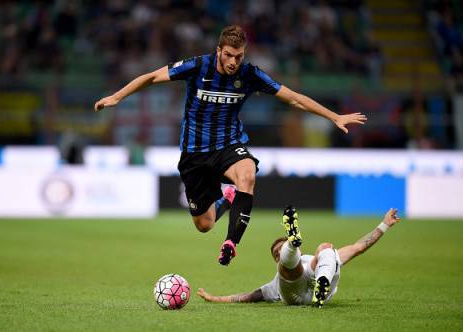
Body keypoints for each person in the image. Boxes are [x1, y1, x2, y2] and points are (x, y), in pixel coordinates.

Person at [94, 25, 367, 266]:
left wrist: (334, 116)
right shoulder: (197, 66)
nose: (233, 61)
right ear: (218, 51)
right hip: (194, 154)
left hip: (229, 145)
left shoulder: (250, 75)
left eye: (239, 56)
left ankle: (231, 243)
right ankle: (228, 199)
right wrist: (117, 97)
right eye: (228, 55)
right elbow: (152, 77)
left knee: (247, 173)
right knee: (204, 224)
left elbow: (293, 98)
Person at [198, 207, 401, 307]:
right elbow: (246, 297)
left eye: (280, 249)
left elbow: (358, 247)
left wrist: (384, 224)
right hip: (293, 293)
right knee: (290, 268)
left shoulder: (311, 258)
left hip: (318, 279)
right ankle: (293, 242)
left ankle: (322, 281)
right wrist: (214, 298)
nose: (278, 253)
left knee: (326, 249)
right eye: (276, 253)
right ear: (275, 260)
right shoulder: (276, 283)